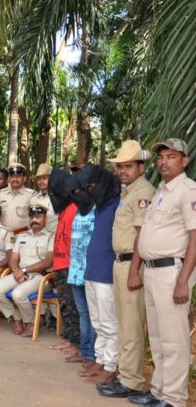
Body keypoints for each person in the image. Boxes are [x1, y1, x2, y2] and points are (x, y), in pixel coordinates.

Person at [131, 138, 196, 407]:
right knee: (157, 336)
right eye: (160, 157)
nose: (163, 161)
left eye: (171, 156)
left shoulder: (188, 190)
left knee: (174, 339)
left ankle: (174, 399)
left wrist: (183, 280)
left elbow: (195, 237)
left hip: (173, 272)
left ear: (185, 161)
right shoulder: (161, 190)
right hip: (153, 271)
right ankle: (159, 390)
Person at [97, 141, 155, 398]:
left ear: (141, 167)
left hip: (133, 263)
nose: (122, 171)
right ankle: (125, 375)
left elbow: (142, 234)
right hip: (120, 262)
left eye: (128, 166)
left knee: (131, 326)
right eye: (119, 166)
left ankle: (131, 381)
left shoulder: (143, 192)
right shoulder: (128, 192)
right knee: (123, 323)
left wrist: (133, 270)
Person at [76, 165, 121, 385]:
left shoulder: (117, 204)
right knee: (97, 322)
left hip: (107, 273)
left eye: (93, 185)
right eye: (88, 186)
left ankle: (110, 366)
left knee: (109, 323)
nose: (91, 190)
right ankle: (100, 359)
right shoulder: (100, 206)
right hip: (92, 270)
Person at [0, 201, 54, 338]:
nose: (34, 220)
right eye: (32, 217)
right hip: (20, 274)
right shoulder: (22, 236)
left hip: (41, 277)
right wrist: (17, 271)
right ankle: (17, 318)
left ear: (45, 218)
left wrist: (23, 271)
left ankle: (32, 322)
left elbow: (47, 262)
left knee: (18, 294)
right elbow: (13, 259)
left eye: (38, 217)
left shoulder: (51, 236)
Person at [47, 170, 82, 359]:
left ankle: (77, 343)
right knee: (66, 305)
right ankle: (69, 338)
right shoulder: (64, 209)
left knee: (74, 305)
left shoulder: (76, 207)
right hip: (59, 264)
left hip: (71, 265)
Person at [67, 184, 98, 368]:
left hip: (91, 271)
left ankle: (93, 354)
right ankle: (84, 351)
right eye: (74, 193)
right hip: (75, 270)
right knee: (83, 313)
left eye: (80, 192)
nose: (77, 196)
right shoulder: (78, 212)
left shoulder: (97, 211)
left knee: (95, 315)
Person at [0, 162, 34, 233]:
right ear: (9, 178)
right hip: (3, 235)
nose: (15, 179)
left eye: (18, 176)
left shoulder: (31, 195)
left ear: (24, 178)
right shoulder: (1, 194)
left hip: (22, 236)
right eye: (12, 176)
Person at [33, 163, 57, 232]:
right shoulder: (34, 199)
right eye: (39, 179)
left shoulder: (58, 198)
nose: (41, 181)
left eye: (44, 178)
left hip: (53, 236)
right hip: (37, 236)